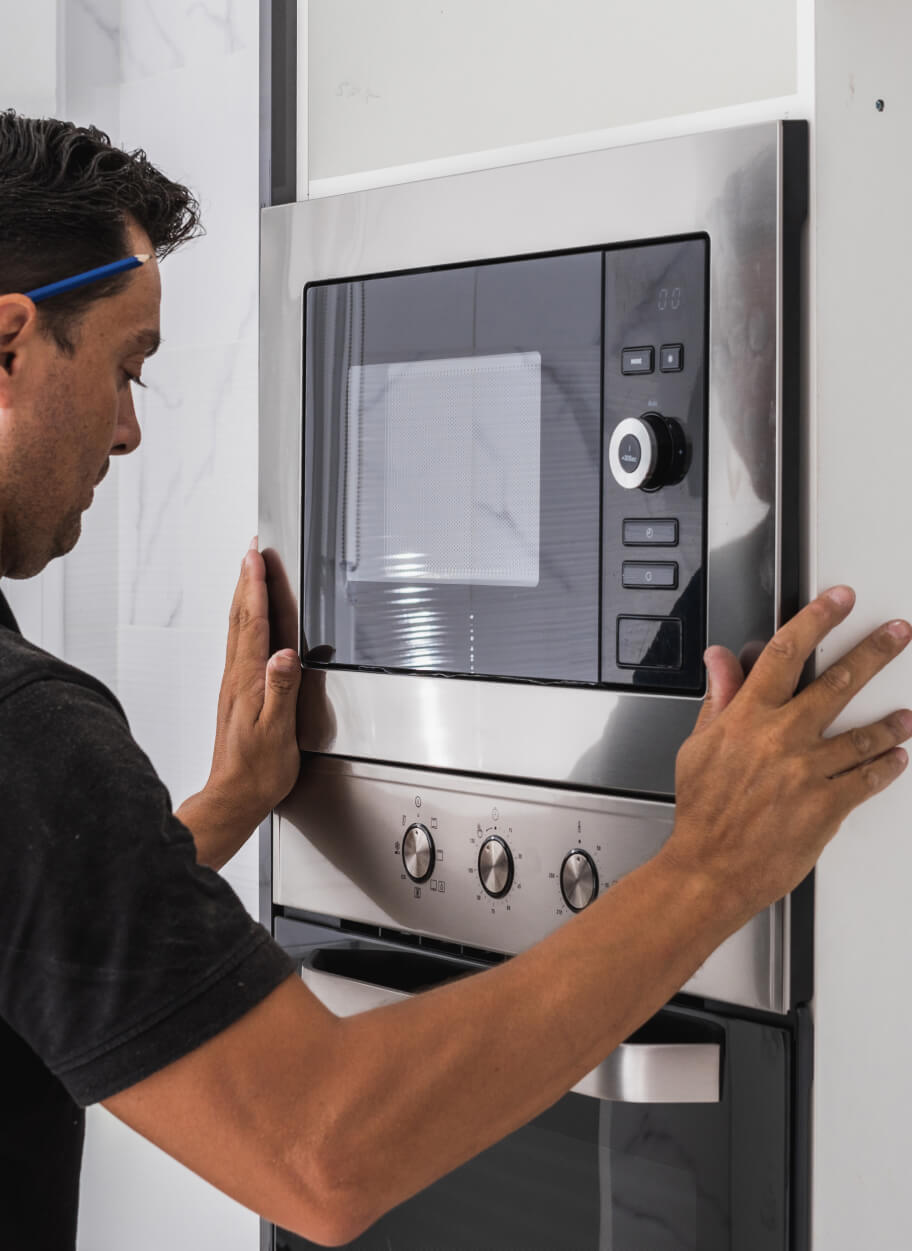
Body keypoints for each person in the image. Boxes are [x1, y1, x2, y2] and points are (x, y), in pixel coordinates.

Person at [0, 111, 909, 1251]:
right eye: (131, 369)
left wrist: (228, 805)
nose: (131, 432)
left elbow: (36, 931)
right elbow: (320, 1153)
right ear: (10, 344)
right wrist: (714, 867)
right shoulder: (27, 734)